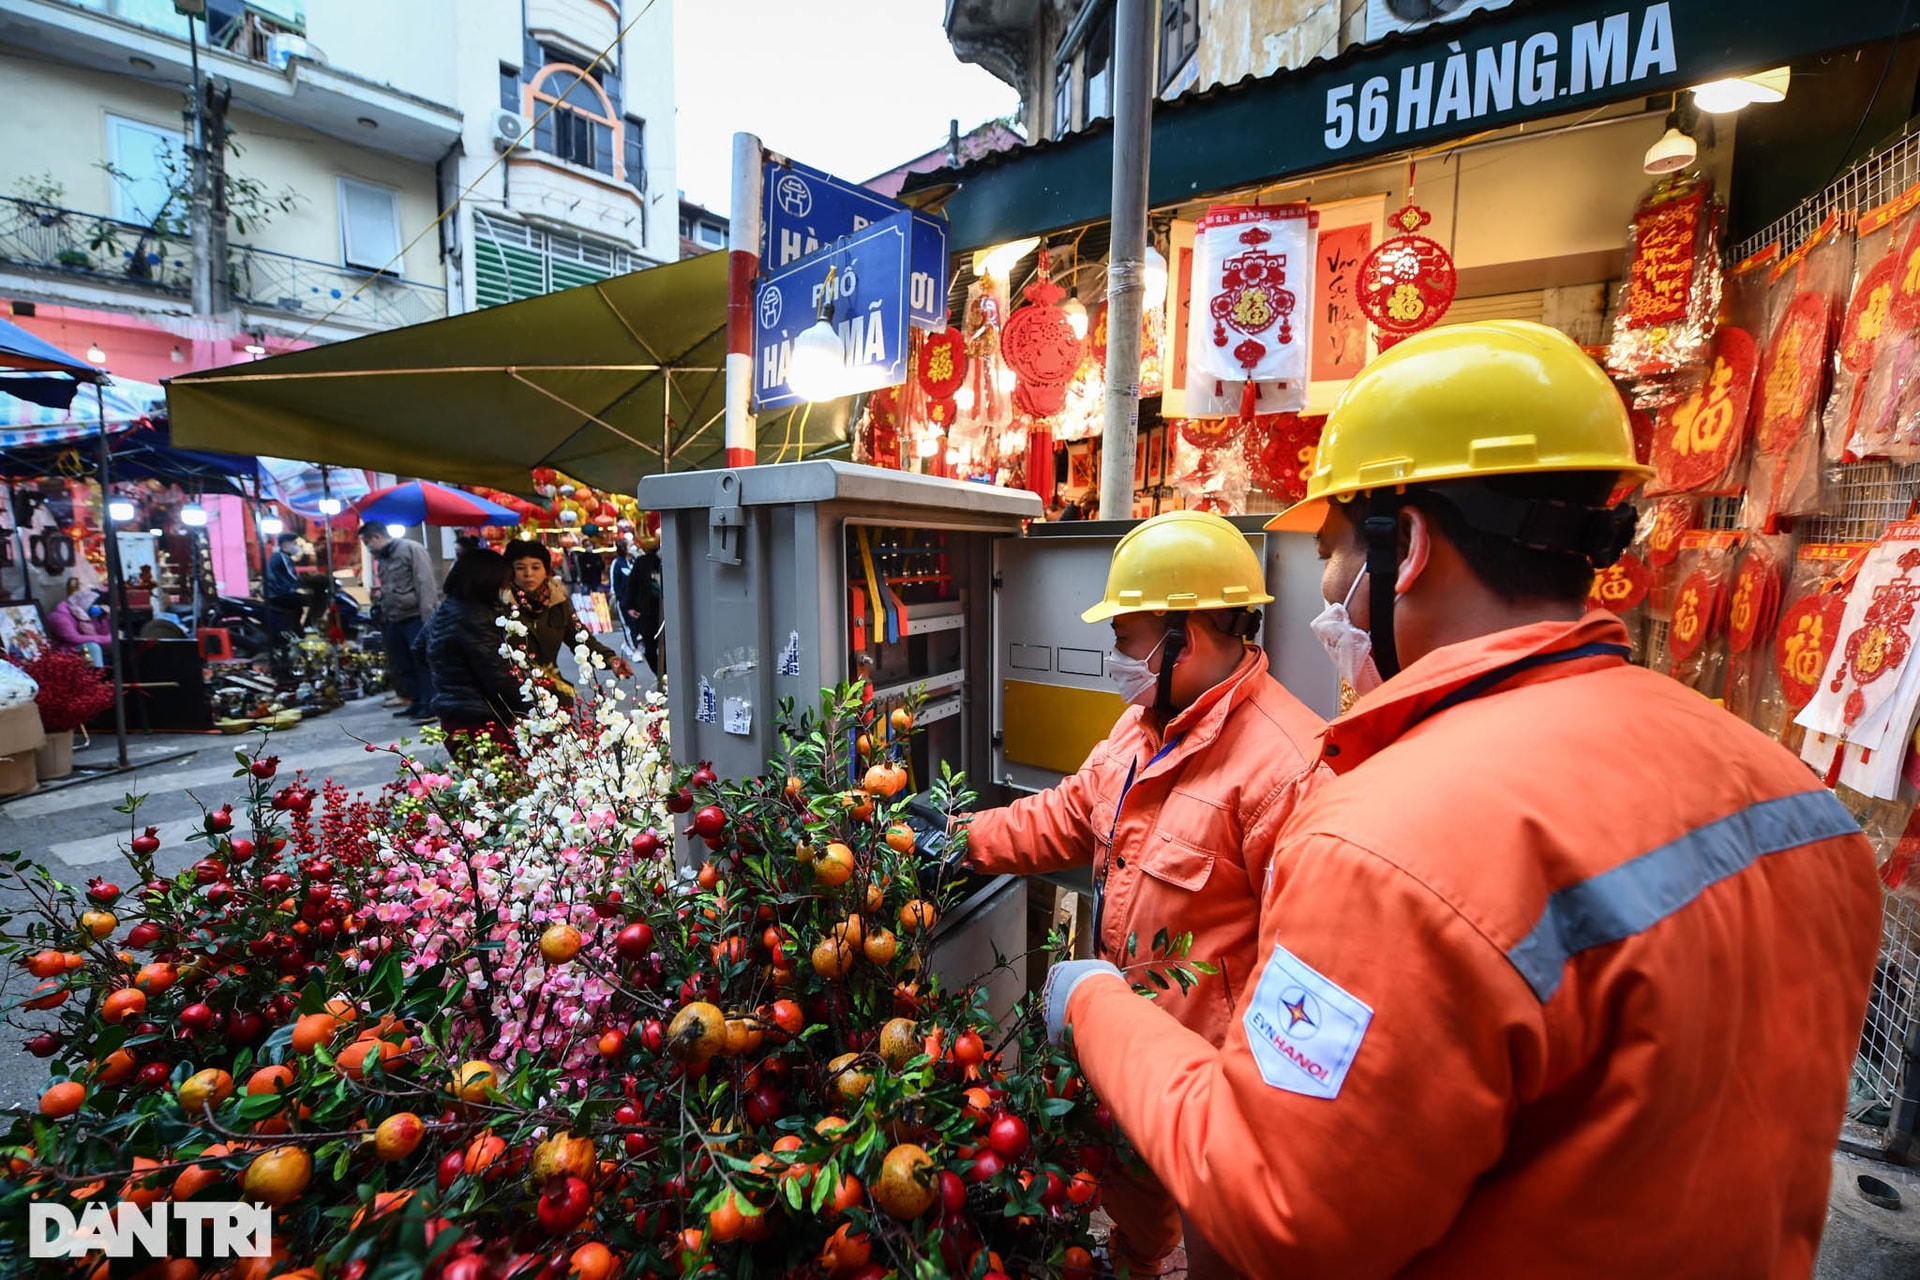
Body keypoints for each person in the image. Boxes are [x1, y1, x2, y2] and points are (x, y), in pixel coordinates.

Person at [1040, 321, 1884, 1277]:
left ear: (1405, 552)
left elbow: (1277, 1211)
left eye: (1330, 557)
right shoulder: (1797, 798)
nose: (1328, 598)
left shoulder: (1383, 840)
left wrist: (1096, 1006)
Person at [959, 509, 1329, 1278]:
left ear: (1181, 639)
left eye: (1126, 639)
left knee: (1215, 1253)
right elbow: (1062, 817)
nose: (1116, 657)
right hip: (1124, 1060)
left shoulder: (1284, 770)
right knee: (1132, 1234)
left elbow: (1305, 973)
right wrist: (956, 842)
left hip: (1211, 1099)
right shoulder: (1140, 728)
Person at [422, 549, 527, 764]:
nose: (507, 589)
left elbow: (419, 649)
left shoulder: (446, 609)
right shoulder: (475, 618)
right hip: (480, 720)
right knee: (504, 787)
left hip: (455, 715)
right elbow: (498, 677)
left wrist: (449, 680)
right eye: (505, 583)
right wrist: (533, 707)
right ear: (486, 582)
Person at [501, 539, 630, 703]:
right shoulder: (500, 606)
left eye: (535, 567)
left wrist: (611, 659)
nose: (528, 574)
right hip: (512, 695)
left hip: (552, 693)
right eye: (520, 568)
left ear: (546, 570)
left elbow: (582, 639)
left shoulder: (557, 602)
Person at [359, 523, 439, 722]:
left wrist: (428, 618)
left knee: (421, 661)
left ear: (376, 537)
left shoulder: (411, 549)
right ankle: (417, 700)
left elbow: (425, 583)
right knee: (403, 663)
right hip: (394, 618)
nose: (367, 547)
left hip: (414, 617)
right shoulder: (383, 558)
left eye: (367, 542)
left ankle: (430, 704)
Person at [46, 586, 111, 660]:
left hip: (81, 648)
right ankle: (95, 670)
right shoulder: (59, 617)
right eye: (94, 605)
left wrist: (106, 617)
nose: (96, 608)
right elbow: (74, 638)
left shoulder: (86, 616)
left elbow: (104, 632)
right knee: (92, 647)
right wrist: (105, 639)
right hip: (65, 651)